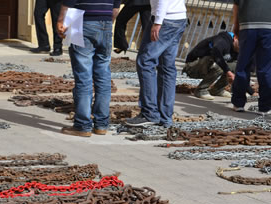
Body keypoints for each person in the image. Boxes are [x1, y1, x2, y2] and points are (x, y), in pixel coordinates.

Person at [57, 0, 120, 137]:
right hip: (106, 23)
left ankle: (82, 125)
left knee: (83, 76)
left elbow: (68, 2)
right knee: (103, 75)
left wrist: (61, 21)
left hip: (83, 21)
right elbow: (116, 8)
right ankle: (101, 124)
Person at [125, 0, 187, 128]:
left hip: (166, 19)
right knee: (167, 67)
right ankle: (165, 117)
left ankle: (150, 113)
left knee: (145, 61)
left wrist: (158, 21)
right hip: (178, 17)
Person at [183, 31, 241, 100]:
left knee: (236, 65)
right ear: (235, 38)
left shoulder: (238, 50)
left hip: (208, 68)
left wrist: (249, 91)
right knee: (219, 63)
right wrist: (228, 71)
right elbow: (216, 53)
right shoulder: (222, 40)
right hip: (192, 67)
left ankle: (217, 90)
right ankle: (201, 90)